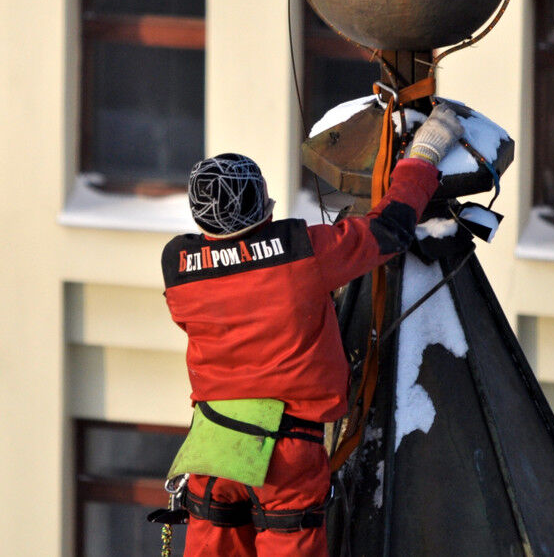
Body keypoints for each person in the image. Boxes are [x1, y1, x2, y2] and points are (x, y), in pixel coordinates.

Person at [160, 104, 464, 557]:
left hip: (215, 448)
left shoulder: (178, 267)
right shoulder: (299, 253)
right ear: (262, 203)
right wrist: (423, 155)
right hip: (288, 450)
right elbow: (389, 230)